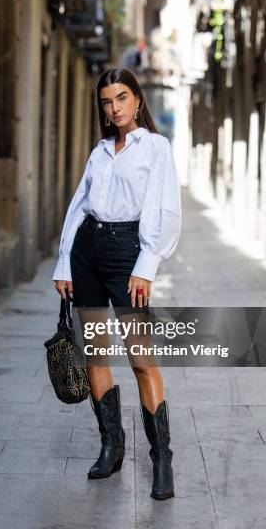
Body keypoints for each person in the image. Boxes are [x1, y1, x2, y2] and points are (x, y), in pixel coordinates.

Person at [53, 67, 181, 500]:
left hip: (128, 253)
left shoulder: (156, 148)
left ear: (137, 100)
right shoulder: (100, 151)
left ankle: (161, 457)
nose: (115, 108)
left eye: (122, 97)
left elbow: (165, 207)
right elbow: (79, 206)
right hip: (87, 252)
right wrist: (64, 263)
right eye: (108, 101)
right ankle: (111, 444)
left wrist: (147, 262)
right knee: (95, 352)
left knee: (140, 357)